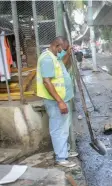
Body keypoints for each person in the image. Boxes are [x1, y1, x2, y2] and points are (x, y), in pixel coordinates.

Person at [36, 36, 77, 168]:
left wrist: (69, 54)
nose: (62, 52)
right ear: (57, 45)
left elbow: (63, 65)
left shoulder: (55, 57)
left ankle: (63, 151)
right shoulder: (47, 59)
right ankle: (61, 158)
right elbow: (47, 82)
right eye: (62, 49)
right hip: (55, 101)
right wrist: (60, 102)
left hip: (62, 98)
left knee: (64, 127)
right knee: (58, 128)